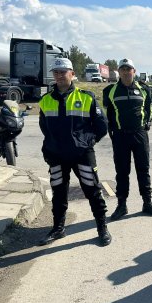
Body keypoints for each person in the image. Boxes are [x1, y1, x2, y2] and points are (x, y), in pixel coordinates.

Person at [38, 58, 111, 247]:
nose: (60, 75)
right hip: (57, 156)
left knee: (93, 190)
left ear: (72, 74)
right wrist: (50, 146)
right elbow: (44, 127)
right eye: (56, 72)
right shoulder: (45, 100)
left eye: (63, 72)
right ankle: (58, 229)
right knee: (59, 192)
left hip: (82, 155)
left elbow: (102, 126)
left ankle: (102, 228)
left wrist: (87, 142)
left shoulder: (86, 97)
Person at [103, 58, 152, 220]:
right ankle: (122, 205)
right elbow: (109, 113)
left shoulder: (143, 89)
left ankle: (147, 202)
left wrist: (147, 123)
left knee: (143, 170)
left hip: (139, 134)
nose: (126, 72)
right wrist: (112, 130)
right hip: (120, 136)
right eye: (123, 69)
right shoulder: (110, 91)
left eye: (129, 69)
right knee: (122, 172)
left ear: (134, 71)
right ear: (118, 72)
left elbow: (149, 108)